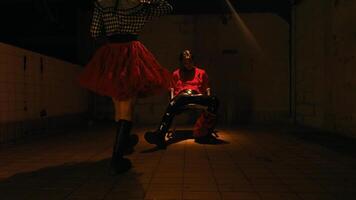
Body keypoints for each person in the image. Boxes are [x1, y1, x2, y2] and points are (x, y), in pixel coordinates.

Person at [78, 0, 173, 173]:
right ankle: (117, 160)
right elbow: (166, 8)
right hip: (131, 54)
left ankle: (126, 142)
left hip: (111, 55)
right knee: (127, 107)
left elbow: (94, 32)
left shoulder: (101, 3)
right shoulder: (140, 4)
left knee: (118, 104)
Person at [145, 49, 219, 149]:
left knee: (215, 100)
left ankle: (204, 133)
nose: (188, 64)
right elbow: (173, 89)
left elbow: (206, 88)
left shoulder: (201, 73)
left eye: (190, 62)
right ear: (182, 63)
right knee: (182, 97)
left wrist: (199, 94)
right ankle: (160, 135)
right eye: (185, 62)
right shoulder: (176, 73)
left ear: (193, 61)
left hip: (197, 97)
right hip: (181, 98)